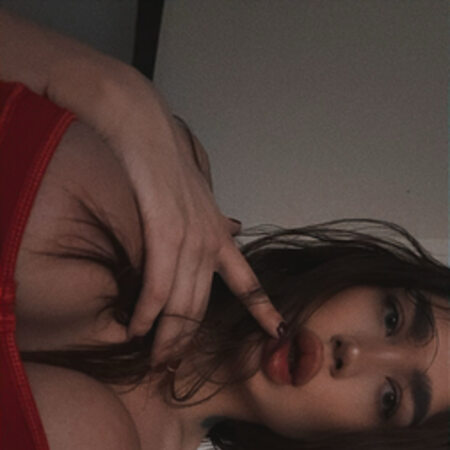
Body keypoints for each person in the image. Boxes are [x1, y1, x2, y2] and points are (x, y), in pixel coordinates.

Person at [0, 9, 448, 450]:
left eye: (389, 399)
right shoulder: (169, 171)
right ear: (357, 275)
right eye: (392, 318)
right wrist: (116, 94)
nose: (353, 353)